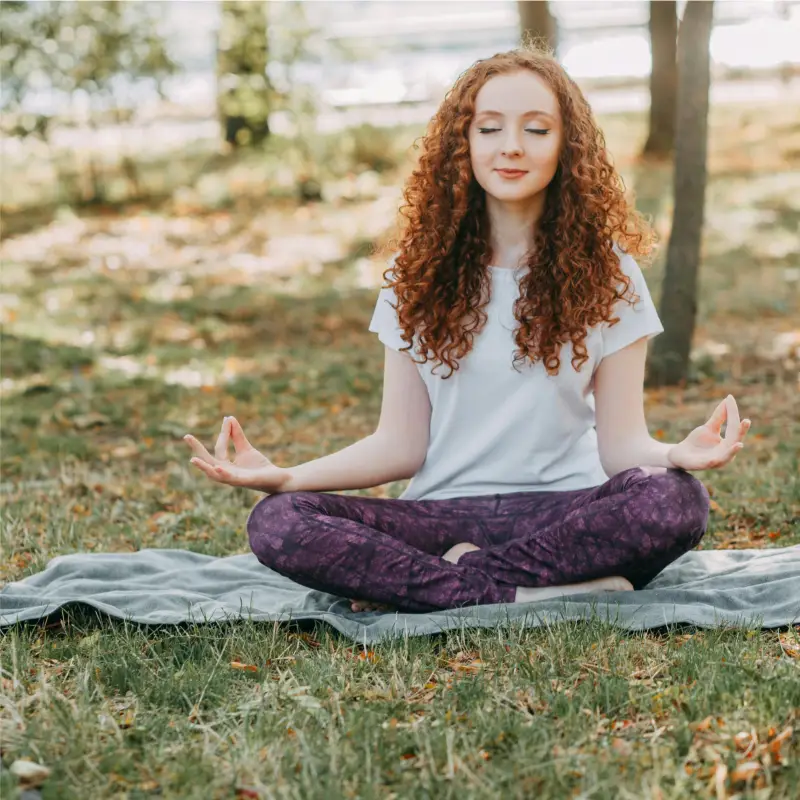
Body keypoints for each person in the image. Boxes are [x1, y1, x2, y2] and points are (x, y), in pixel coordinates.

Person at [183, 48, 751, 614]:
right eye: (490, 128)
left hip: (567, 515)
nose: (511, 146)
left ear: (566, 147)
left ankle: (450, 584)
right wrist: (286, 477)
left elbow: (622, 446)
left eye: (536, 129)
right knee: (278, 521)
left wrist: (676, 453)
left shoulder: (611, 274)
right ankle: (538, 591)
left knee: (675, 499)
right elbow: (398, 446)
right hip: (439, 516)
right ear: (464, 144)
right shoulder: (416, 275)